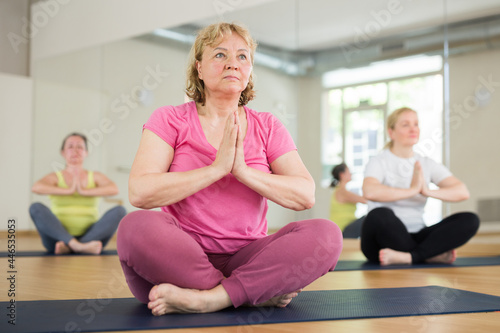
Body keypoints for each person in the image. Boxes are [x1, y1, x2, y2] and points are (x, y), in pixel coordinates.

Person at [116, 22, 342, 316]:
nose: (233, 64)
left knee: (327, 235)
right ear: (199, 68)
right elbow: (140, 192)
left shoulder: (267, 126)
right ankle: (246, 292)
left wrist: (243, 172)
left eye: (242, 56)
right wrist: (216, 168)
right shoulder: (170, 119)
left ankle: (208, 299)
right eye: (220, 55)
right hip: (178, 258)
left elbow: (304, 195)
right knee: (133, 228)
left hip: (248, 258)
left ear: (249, 71)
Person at [361, 107, 479, 266]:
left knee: (470, 219)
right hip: (381, 242)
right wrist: (412, 190)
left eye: (416, 124)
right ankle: (427, 255)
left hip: (417, 235)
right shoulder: (378, 161)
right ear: (391, 132)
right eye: (405, 124)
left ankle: (410, 257)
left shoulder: (426, 163)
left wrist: (427, 191)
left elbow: (462, 192)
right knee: (379, 214)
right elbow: (370, 191)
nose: (413, 129)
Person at [30, 133, 126, 255]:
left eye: (80, 147)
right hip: (56, 239)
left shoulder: (95, 176)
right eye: (70, 146)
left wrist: (84, 191)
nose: (75, 150)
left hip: (91, 236)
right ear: (63, 152)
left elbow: (114, 189)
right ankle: (77, 246)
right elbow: (36, 187)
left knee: (120, 211)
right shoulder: (55, 177)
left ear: (86, 152)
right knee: (35, 208)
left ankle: (72, 246)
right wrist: (68, 191)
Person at [330, 163, 367, 238]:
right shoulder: (342, 192)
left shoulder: (340, 190)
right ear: (342, 175)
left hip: (346, 227)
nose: (351, 174)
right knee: (368, 218)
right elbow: (365, 200)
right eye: (348, 172)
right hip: (342, 229)